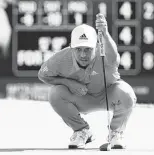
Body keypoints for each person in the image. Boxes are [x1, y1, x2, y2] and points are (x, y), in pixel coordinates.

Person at [38, 13, 137, 149]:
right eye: (78, 50)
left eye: (88, 50)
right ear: (72, 48)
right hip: (80, 98)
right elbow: (43, 75)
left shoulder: (104, 53)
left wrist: (105, 33)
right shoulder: (61, 58)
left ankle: (115, 133)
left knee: (127, 93)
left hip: (107, 96)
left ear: (95, 47)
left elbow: (114, 58)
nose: (83, 54)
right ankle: (82, 131)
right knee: (55, 94)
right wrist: (68, 82)